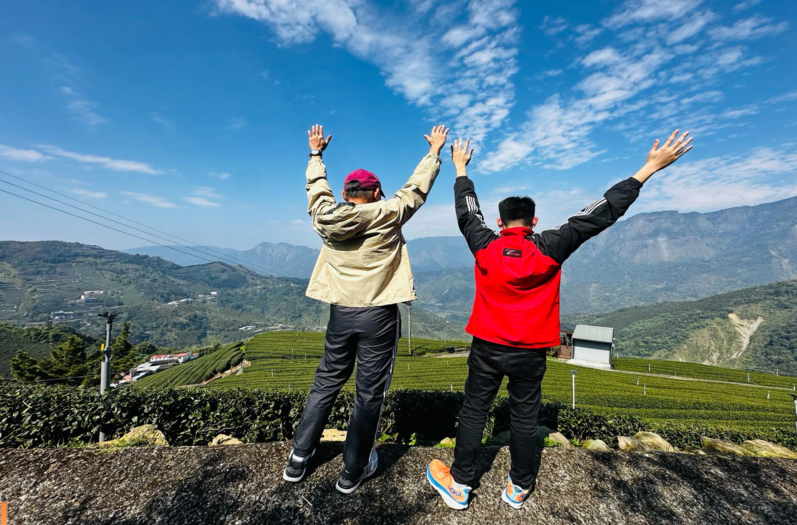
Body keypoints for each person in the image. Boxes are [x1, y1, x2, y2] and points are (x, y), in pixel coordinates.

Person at [427, 130, 693, 510]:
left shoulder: (484, 244)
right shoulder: (552, 245)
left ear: (500, 223)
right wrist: (647, 169)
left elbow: (467, 211)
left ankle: (461, 483)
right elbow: (600, 213)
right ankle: (518, 487)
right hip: (532, 351)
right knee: (524, 417)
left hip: (487, 346)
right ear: (533, 220)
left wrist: (460, 167)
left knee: (474, 410)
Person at [285, 124, 449, 494]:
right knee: (369, 393)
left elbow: (316, 193)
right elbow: (416, 189)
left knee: (326, 381)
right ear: (376, 191)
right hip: (379, 315)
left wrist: (316, 156)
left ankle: (298, 459)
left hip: (340, 313)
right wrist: (434, 151)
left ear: (345, 193)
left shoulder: (326, 217)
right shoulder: (388, 212)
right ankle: (353, 469)